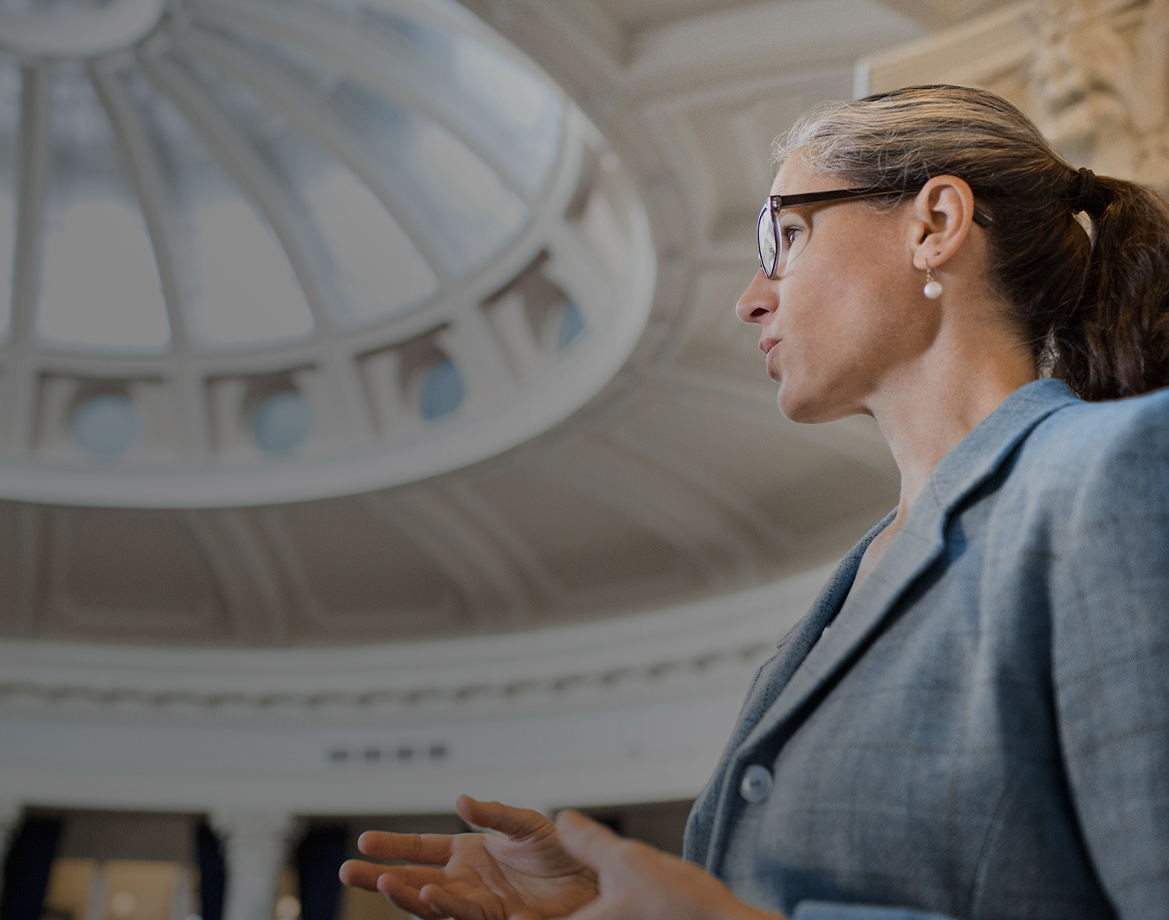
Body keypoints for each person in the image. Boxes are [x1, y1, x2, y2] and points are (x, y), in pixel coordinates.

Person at [339, 84, 1169, 920]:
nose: (751, 299)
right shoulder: (839, 600)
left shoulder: (1117, 475)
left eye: (790, 235)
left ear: (935, 225)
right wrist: (607, 904)